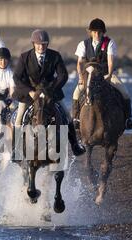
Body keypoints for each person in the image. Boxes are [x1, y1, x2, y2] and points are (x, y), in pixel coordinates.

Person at [12, 29, 86, 160]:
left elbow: (63, 75)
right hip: (29, 93)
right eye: (39, 44)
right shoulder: (25, 57)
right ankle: (16, 150)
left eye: (44, 44)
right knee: (19, 120)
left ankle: (75, 146)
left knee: (67, 116)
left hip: (50, 92)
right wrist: (29, 91)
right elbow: (17, 78)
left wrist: (51, 90)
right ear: (33, 44)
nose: (41, 47)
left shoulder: (55, 56)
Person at [72, 18, 132, 130]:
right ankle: (76, 119)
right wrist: (81, 77)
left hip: (106, 74)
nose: (97, 34)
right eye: (95, 32)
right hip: (89, 76)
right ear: (91, 32)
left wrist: (110, 75)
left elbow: (110, 62)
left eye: (99, 32)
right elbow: (80, 63)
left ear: (103, 32)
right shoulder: (83, 44)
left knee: (125, 93)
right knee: (76, 93)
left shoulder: (109, 43)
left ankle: (128, 120)